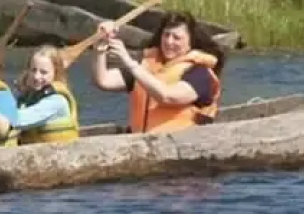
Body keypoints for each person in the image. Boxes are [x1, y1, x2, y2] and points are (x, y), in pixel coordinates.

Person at [90, 11, 225, 134]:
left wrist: (130, 63)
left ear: (190, 43)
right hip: (141, 145)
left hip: (180, 151)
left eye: (176, 38)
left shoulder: (200, 73)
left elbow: (168, 96)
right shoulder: (146, 66)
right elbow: (104, 80)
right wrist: (100, 49)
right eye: (166, 35)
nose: (169, 41)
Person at [12, 47, 79, 144]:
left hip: (59, 156)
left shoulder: (56, 101)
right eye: (33, 70)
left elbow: (17, 120)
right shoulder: (28, 97)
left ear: (56, 73)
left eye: (43, 72)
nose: (36, 76)